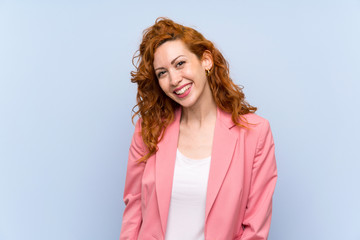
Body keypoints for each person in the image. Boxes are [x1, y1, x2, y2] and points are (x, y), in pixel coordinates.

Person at [120, 17, 277, 240]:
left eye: (180, 63)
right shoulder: (148, 130)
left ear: (206, 61)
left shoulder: (255, 133)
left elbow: (255, 228)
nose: (174, 79)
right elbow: (133, 211)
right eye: (162, 73)